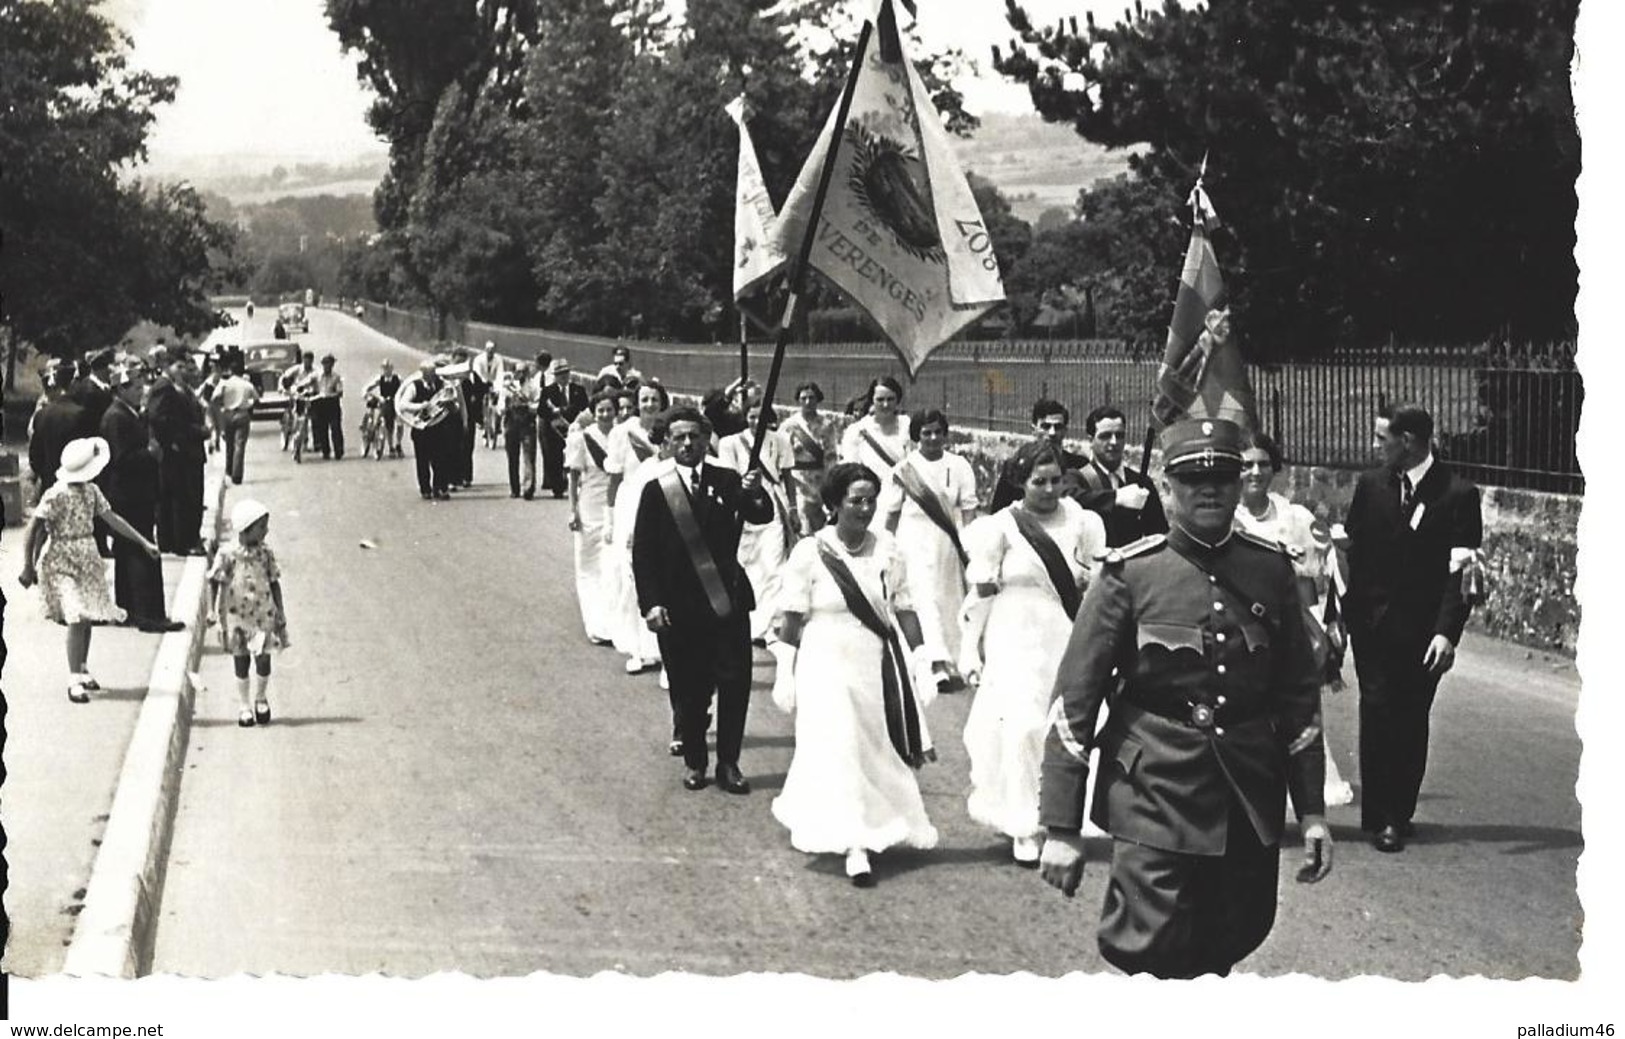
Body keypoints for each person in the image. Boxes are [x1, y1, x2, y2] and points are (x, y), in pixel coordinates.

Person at [1037, 418, 1333, 979]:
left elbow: (1297, 697)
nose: (1210, 491)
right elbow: (1074, 703)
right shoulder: (1131, 574)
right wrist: (1061, 827)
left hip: (1246, 788)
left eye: (1223, 476)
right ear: (1167, 488)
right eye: (1192, 481)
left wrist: (1313, 811)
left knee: (1234, 933)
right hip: (1153, 788)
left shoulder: (1269, 570)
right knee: (1149, 947)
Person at [769, 462, 939, 887]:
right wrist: (784, 673)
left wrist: (921, 659)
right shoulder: (811, 551)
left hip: (873, 660)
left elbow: (903, 606)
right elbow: (792, 616)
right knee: (838, 744)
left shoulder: (888, 548)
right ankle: (854, 843)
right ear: (833, 504)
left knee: (872, 746)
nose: (865, 509)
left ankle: (876, 825)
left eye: (870, 501)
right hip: (823, 658)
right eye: (855, 501)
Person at [1341, 402, 1483, 853]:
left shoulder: (1457, 494)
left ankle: (1397, 815)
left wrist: (1447, 632)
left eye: (1382, 439)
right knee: (1376, 709)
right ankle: (1379, 813)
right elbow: (1351, 551)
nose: (1374, 446)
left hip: (1423, 634)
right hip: (1372, 627)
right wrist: (1340, 618)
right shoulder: (1371, 485)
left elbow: (1461, 575)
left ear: (1408, 441)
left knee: (1408, 718)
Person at [959, 440, 1107, 864]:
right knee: (1021, 728)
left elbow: (1100, 586)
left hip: (1064, 634)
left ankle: (1063, 818)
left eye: (1056, 480)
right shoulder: (1001, 527)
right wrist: (970, 648)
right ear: (1020, 483)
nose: (1048, 489)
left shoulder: (1083, 522)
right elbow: (981, 592)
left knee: (1065, 727)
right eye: (1038, 481)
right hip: (1013, 637)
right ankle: (1025, 823)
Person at [632, 406, 773, 793]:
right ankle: (696, 758)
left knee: (735, 684)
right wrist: (652, 603)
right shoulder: (657, 490)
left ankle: (729, 762)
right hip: (680, 608)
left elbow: (761, 515)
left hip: (726, 599)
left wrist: (755, 494)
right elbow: (643, 553)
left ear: (706, 438)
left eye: (695, 436)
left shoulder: (728, 479)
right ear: (667, 443)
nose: (688, 443)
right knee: (688, 687)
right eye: (679, 437)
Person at [1234, 430, 1355, 807]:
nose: (1255, 472)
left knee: (1289, 709)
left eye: (1263, 464)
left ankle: (1298, 793)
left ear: (1276, 469)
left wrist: (1326, 626)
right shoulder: (1223, 516)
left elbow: (1324, 574)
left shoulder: (1295, 517)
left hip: (1284, 628)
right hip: (1236, 628)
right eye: (1247, 464)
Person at [16, 437, 163, 703]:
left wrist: (143, 542)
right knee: (75, 614)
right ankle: (73, 678)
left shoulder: (92, 491)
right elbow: (33, 529)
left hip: (87, 558)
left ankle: (82, 667)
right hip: (61, 559)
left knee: (87, 613)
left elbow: (113, 519)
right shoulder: (55, 494)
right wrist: (28, 565)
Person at [878, 408, 978, 689]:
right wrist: (887, 548)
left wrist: (970, 546)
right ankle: (934, 664)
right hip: (912, 543)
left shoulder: (959, 466)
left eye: (938, 432)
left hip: (946, 543)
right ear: (916, 436)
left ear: (945, 434)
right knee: (924, 599)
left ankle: (957, 660)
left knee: (948, 599)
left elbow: (969, 509)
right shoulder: (903, 470)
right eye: (926, 433)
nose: (933, 438)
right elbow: (891, 516)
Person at [99, 362, 183, 632]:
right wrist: (151, 454)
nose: (140, 391)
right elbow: (121, 459)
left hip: (133, 495)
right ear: (121, 389)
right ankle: (149, 614)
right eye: (134, 387)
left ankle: (129, 609)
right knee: (142, 551)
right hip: (130, 496)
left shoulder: (127, 414)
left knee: (128, 553)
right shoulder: (116, 417)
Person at [716, 400, 798, 646]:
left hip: (772, 505)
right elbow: (729, 478)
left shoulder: (780, 439)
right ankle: (747, 620)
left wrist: (793, 508)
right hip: (741, 504)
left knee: (774, 566)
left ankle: (766, 625)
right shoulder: (729, 443)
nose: (755, 422)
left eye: (760, 417)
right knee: (746, 564)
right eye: (751, 417)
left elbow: (788, 477)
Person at [606, 382, 671, 679]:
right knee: (633, 578)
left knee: (664, 576)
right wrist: (610, 520)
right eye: (644, 399)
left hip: (665, 504)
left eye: (654, 399)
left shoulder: (669, 429)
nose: (649, 404)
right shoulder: (623, 432)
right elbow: (615, 479)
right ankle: (637, 649)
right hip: (630, 507)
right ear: (636, 403)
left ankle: (661, 648)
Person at [208, 498, 290, 728]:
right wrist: (213, 612)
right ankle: (244, 705)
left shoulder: (266, 553)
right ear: (246, 528)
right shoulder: (228, 554)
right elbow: (215, 581)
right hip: (237, 617)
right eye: (261, 527)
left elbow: (274, 582)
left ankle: (261, 698)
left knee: (263, 658)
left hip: (263, 614)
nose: (266, 531)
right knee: (241, 659)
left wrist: (280, 611)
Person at [1073, 405, 1169, 547]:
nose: (1114, 442)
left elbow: (1158, 534)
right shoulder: (1078, 478)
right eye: (1105, 436)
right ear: (1090, 440)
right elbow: (1073, 500)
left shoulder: (1141, 482)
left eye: (1119, 435)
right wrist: (1117, 498)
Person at [567, 391, 620, 645]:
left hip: (615, 505)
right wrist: (572, 510)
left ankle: (612, 622)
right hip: (589, 506)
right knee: (588, 567)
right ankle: (595, 624)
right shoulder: (581, 439)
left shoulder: (622, 435)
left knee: (611, 565)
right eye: (601, 410)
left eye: (610, 410)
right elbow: (574, 477)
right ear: (593, 412)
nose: (606, 415)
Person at [145, 357, 209, 555]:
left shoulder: (179, 387)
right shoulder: (164, 387)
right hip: (180, 451)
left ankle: (178, 539)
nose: (183, 371)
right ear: (167, 366)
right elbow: (160, 419)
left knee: (180, 498)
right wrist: (180, 439)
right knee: (183, 499)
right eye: (178, 366)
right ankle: (184, 542)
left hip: (185, 451)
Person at [990, 399, 1091, 512]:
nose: (1052, 433)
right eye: (1046, 427)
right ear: (1034, 430)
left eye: (1057, 427)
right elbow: (998, 511)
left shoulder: (1080, 465)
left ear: (1065, 431)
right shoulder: (1015, 466)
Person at [396, 357, 461, 500]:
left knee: (441, 459)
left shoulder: (442, 385)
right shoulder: (414, 386)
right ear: (423, 373)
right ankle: (425, 489)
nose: (432, 377)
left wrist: (452, 406)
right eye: (429, 374)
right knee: (423, 460)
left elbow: (455, 405)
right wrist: (420, 406)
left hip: (439, 428)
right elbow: (402, 405)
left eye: (434, 373)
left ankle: (441, 488)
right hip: (421, 429)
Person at [779, 381, 838, 535]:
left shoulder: (826, 425)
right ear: (798, 400)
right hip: (796, 479)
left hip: (818, 479)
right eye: (803, 398)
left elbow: (831, 455)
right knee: (800, 516)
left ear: (817, 399)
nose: (807, 402)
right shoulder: (789, 425)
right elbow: (780, 453)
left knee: (817, 520)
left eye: (811, 398)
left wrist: (830, 482)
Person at [839, 376, 911, 481]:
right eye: (880, 400)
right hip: (870, 492)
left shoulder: (907, 426)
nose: (885, 404)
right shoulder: (856, 431)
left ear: (898, 400)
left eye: (890, 399)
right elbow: (852, 470)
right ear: (872, 401)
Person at [539, 358, 588, 498]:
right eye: (560, 374)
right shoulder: (548, 391)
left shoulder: (579, 390)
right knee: (554, 458)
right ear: (555, 377)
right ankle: (558, 487)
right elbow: (542, 411)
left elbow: (584, 406)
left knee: (574, 457)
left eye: (566, 373)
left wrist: (564, 410)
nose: (563, 377)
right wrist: (553, 415)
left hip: (574, 428)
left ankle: (575, 483)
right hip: (554, 431)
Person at [215, 354, 259, 485]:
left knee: (229, 444)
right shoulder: (247, 385)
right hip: (242, 414)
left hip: (227, 414)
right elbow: (257, 400)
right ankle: (237, 475)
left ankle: (229, 470)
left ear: (231, 371)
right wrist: (249, 404)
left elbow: (215, 397)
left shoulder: (224, 384)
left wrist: (222, 406)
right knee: (239, 445)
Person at [499, 361, 540, 498]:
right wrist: (506, 403)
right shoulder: (508, 387)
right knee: (512, 457)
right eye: (518, 372)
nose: (520, 374)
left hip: (527, 424)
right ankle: (514, 488)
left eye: (523, 372)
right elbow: (500, 409)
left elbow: (538, 405)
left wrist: (528, 404)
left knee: (529, 456)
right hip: (511, 424)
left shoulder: (534, 386)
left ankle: (528, 488)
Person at [362, 359, 404, 459]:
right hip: (385, 403)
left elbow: (404, 388)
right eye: (384, 368)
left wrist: (402, 398)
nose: (386, 370)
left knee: (399, 424)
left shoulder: (398, 378)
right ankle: (391, 447)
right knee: (388, 425)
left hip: (396, 403)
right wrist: (367, 394)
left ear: (392, 369)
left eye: (388, 368)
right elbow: (367, 388)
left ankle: (398, 444)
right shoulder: (380, 379)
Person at [309, 354, 345, 460]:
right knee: (322, 428)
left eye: (329, 363)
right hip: (320, 403)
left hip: (332, 403)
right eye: (325, 363)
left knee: (335, 427)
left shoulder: (336, 377)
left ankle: (338, 450)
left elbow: (339, 391)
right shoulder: (316, 376)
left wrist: (334, 394)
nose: (327, 366)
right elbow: (307, 384)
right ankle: (325, 450)